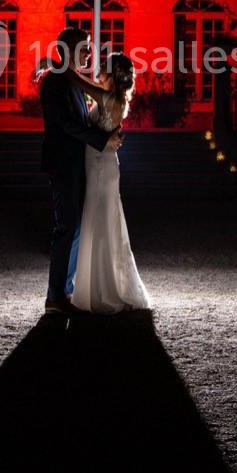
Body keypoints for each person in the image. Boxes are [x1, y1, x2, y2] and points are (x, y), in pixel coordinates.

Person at [36, 28, 122, 315]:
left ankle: (66, 290)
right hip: (63, 164)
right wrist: (102, 140)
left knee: (75, 229)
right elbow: (65, 124)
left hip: (79, 164)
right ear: (67, 49)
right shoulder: (54, 83)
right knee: (66, 228)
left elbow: (80, 119)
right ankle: (54, 295)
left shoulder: (71, 81)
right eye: (84, 47)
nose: (89, 52)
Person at [64, 51, 152, 315]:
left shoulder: (107, 97)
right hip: (100, 165)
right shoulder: (114, 98)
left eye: (103, 68)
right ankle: (98, 285)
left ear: (112, 75)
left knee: (99, 222)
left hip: (101, 168)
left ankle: (101, 289)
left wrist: (56, 63)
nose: (98, 71)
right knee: (100, 221)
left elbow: (77, 81)